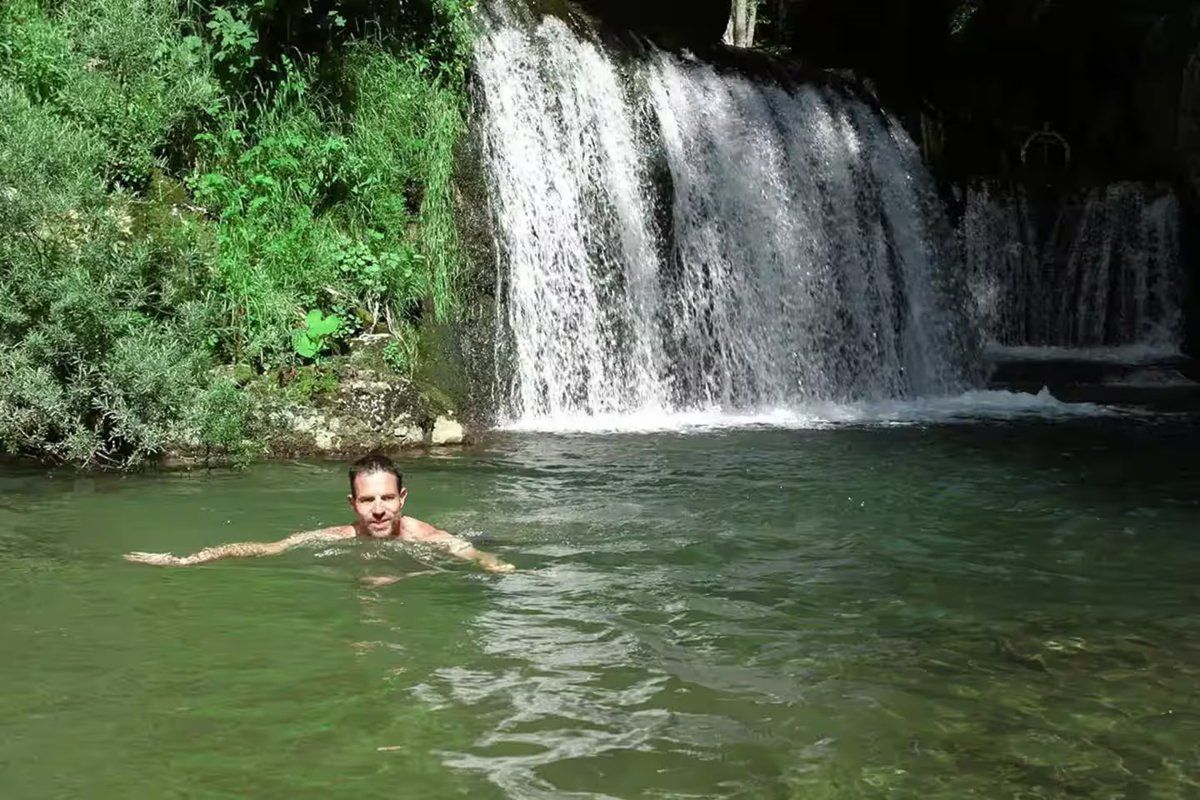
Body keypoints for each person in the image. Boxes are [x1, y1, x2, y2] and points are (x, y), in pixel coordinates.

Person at [123, 454, 515, 579]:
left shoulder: (424, 535)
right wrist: (188, 560)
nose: (379, 509)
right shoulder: (339, 536)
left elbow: (466, 551)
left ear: (402, 499)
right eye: (368, 500)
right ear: (352, 504)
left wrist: (494, 564)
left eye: (387, 498)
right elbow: (269, 549)